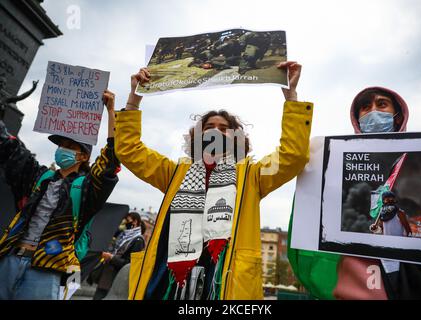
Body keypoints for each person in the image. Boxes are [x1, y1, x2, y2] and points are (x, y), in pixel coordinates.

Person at [114, 61, 313, 300]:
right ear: (198, 136)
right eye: (209, 127)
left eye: (224, 128)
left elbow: (293, 155)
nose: (216, 131)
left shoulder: (252, 175)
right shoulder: (174, 172)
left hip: (220, 285)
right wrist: (133, 101)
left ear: (237, 137)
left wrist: (291, 96)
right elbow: (129, 150)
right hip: (169, 283)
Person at [288, 86, 421, 300]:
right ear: (357, 118)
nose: (373, 111)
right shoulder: (332, 163)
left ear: (397, 115)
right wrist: (292, 100)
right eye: (365, 107)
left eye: (381, 104)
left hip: (420, 277)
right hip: (361, 283)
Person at [0, 90, 120, 300]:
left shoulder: (87, 189)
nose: (62, 149)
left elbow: (111, 159)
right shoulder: (39, 176)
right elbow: (10, 148)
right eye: (61, 145)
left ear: (83, 156)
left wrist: (111, 111)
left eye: (69, 146)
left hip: (46, 272)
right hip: (9, 259)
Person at [92, 212, 146, 300]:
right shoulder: (123, 235)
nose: (125, 223)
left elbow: (130, 264)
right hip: (107, 274)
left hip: (117, 278)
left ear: (135, 222)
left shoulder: (138, 240)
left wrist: (111, 257)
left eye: (127, 221)